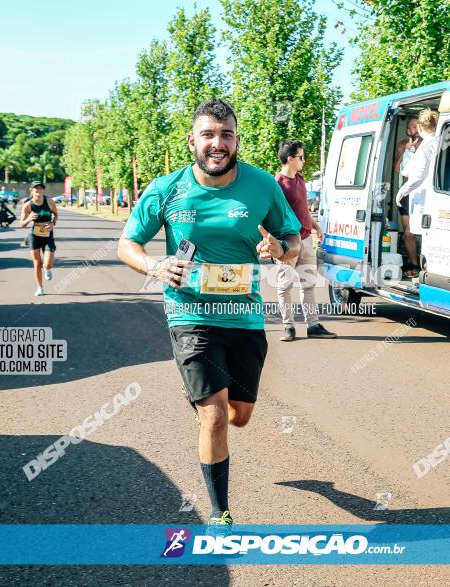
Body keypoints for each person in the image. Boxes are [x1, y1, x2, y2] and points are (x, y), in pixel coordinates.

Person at [118, 98, 302, 528]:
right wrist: (154, 265)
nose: (217, 143)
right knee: (215, 415)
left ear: (236, 140)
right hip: (190, 315)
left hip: (244, 317)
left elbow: (292, 241)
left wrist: (281, 250)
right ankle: (220, 512)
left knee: (239, 417)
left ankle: (201, 395)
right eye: (208, 135)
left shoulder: (262, 186)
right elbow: (128, 244)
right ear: (192, 141)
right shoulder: (166, 189)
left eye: (225, 135)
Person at [275, 140, 336, 342]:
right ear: (290, 159)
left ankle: (313, 325)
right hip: (287, 243)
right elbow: (271, 215)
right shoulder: (277, 184)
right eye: (300, 157)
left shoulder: (300, 180)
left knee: (308, 284)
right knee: (285, 286)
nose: (303, 160)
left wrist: (317, 227)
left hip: (307, 240)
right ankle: (288, 327)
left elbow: (303, 211)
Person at [393, 118, 422, 275]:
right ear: (407, 130)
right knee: (408, 231)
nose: (414, 128)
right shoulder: (403, 144)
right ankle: (414, 264)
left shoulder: (427, 144)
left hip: (422, 193)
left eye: (416, 125)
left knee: (423, 229)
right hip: (406, 192)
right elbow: (397, 168)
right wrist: (405, 151)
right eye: (411, 126)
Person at [20, 181, 58, 296]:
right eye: (36, 189)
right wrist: (29, 218)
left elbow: (56, 214)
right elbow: (22, 224)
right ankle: (40, 288)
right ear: (31, 190)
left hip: (47, 234)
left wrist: (53, 223)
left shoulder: (49, 201)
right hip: (34, 234)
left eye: (41, 188)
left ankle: (47, 269)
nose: (39, 191)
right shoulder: (27, 205)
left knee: (47, 264)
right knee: (37, 263)